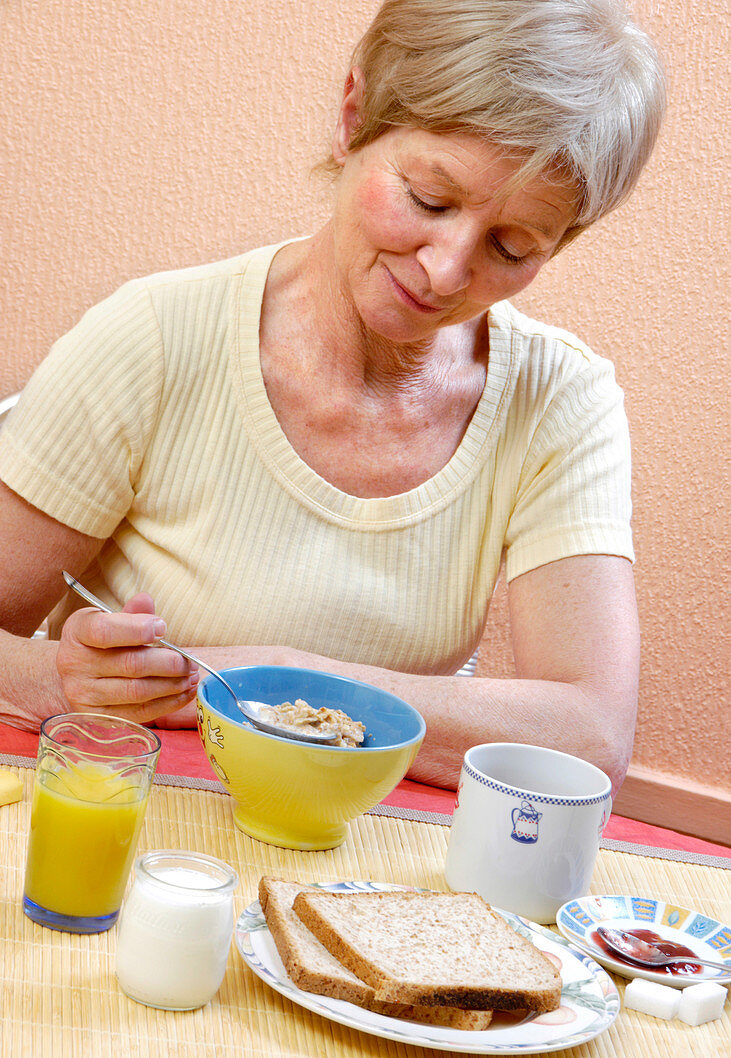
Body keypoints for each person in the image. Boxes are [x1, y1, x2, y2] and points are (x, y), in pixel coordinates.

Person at [0, 0, 665, 791]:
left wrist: (278, 678)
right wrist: (59, 677)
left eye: (511, 246)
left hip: (377, 854)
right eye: (428, 199)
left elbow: (588, 737)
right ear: (355, 115)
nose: (446, 270)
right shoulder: (153, 336)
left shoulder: (558, 397)